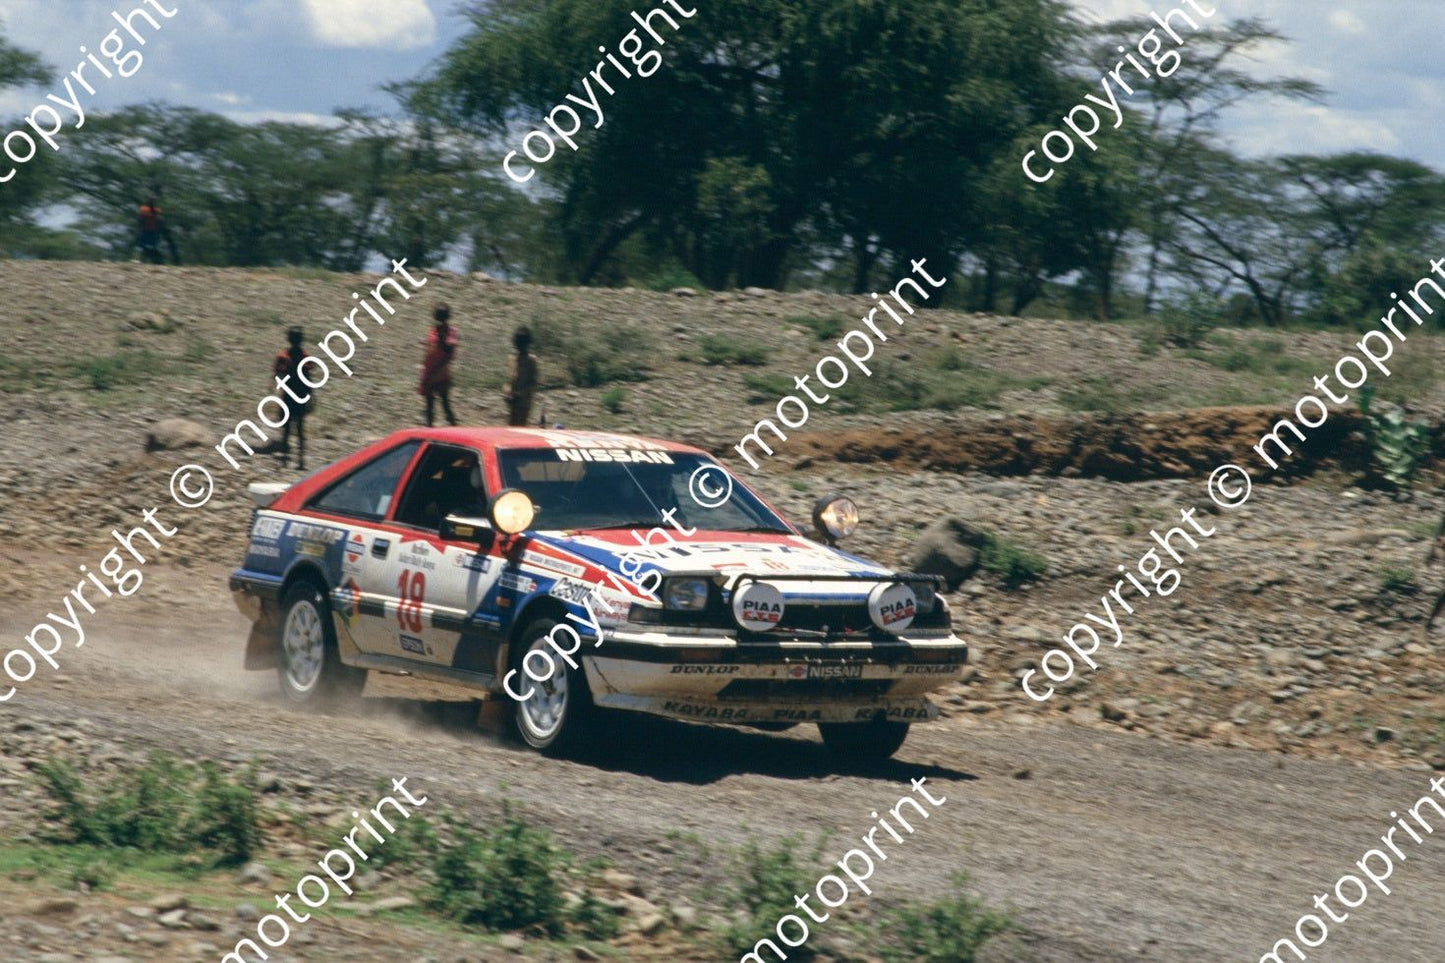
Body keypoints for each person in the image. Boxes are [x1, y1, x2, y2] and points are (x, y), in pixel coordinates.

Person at [272, 327, 311, 469]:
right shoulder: (305, 356)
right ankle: (300, 461)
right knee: (299, 429)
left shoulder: (284, 356)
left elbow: (277, 375)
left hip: (288, 395)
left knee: (287, 429)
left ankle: (284, 461)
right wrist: (310, 396)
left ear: (288, 339)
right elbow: (309, 377)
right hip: (300, 396)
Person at [419, 303, 459, 426]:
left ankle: (453, 428)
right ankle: (431, 429)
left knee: (442, 404)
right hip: (435, 371)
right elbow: (430, 351)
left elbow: (449, 351)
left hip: (437, 372)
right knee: (435, 405)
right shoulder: (435, 331)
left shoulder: (447, 332)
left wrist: (431, 370)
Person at [503, 325, 539, 427]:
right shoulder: (512, 359)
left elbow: (533, 382)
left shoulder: (531, 360)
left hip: (523, 402)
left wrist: (520, 394)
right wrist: (507, 391)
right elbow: (509, 380)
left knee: (520, 428)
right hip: (512, 402)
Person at [137, 198, 164, 264]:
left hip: (151, 231)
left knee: (150, 246)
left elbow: (140, 220)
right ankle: (147, 260)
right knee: (146, 246)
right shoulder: (144, 210)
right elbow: (140, 220)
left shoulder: (156, 211)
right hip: (148, 230)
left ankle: (152, 260)